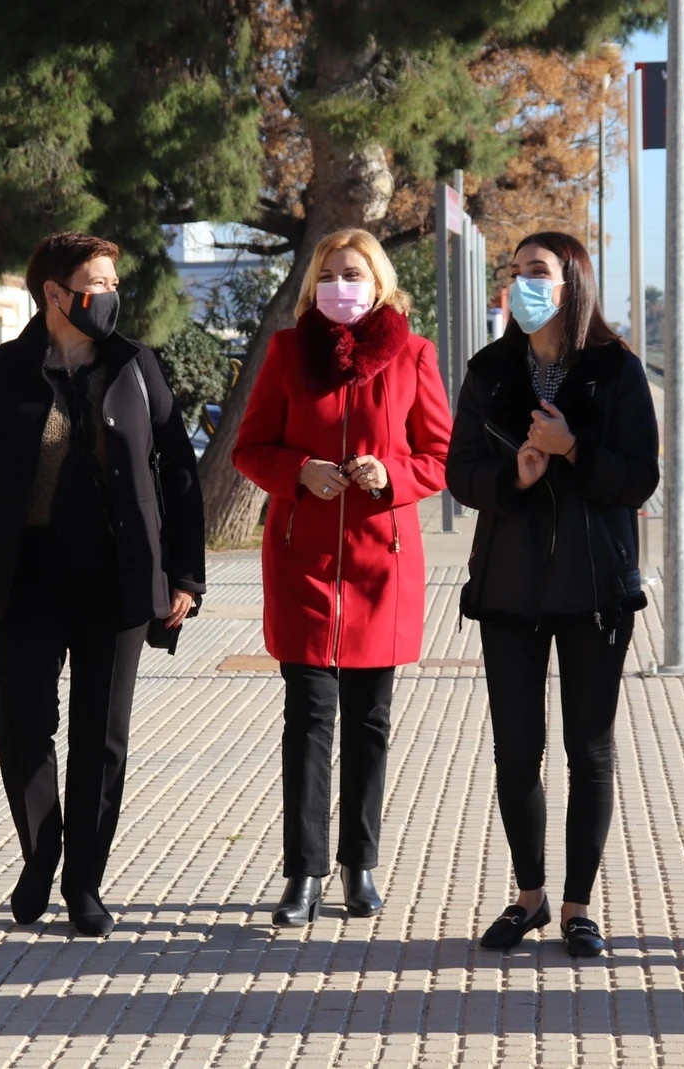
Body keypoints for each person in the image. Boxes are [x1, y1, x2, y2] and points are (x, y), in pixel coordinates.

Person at [0, 232, 205, 937]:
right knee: (24, 724)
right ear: (55, 294)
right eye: (97, 282)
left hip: (118, 579)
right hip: (26, 576)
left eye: (113, 281)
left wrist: (184, 574)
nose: (111, 295)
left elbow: (179, 473)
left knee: (102, 733)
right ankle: (41, 849)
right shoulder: (2, 372)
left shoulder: (136, 365)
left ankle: (84, 880)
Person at [446, 231, 658, 958]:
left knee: (587, 749)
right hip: (508, 586)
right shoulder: (489, 370)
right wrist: (515, 480)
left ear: (572, 282)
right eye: (515, 272)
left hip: (595, 586)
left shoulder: (615, 371)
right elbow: (460, 472)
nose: (521, 284)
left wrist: (575, 452)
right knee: (516, 750)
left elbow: (640, 479)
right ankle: (528, 896)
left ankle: (577, 906)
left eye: (536, 271)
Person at [232, 228, 451, 927]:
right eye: (328, 275)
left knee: (370, 722)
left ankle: (361, 865)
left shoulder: (414, 354)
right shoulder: (289, 352)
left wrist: (393, 476)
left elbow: (441, 455)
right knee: (309, 719)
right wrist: (298, 472)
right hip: (303, 562)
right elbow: (250, 446)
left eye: (353, 273)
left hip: (380, 561)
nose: (341, 286)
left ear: (379, 282)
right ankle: (303, 872)